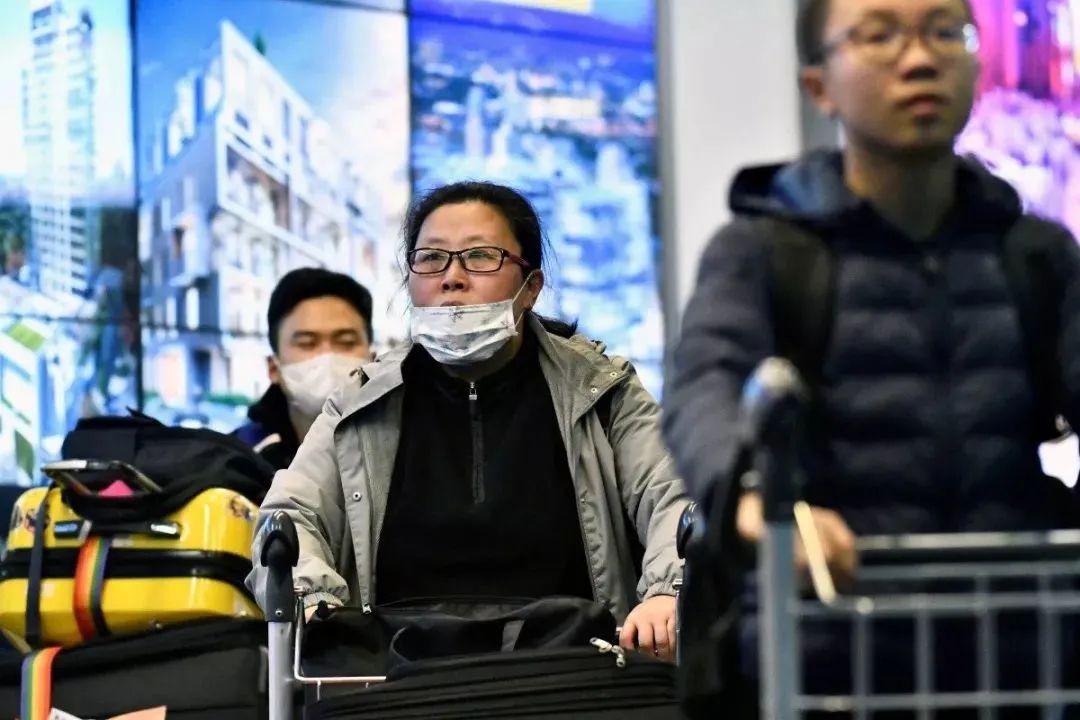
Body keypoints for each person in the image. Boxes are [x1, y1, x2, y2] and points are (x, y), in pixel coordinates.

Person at [664, 0, 1080, 704]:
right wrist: (760, 505)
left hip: (1017, 655)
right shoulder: (765, 252)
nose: (919, 59)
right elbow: (706, 388)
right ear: (819, 85)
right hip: (825, 659)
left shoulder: (1035, 255)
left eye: (945, 32)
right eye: (879, 35)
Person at [247, 181, 688, 658]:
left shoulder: (602, 392)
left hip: (571, 669)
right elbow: (290, 517)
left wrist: (666, 590)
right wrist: (312, 600)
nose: (452, 277)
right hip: (399, 673)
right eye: (431, 258)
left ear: (531, 287)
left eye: (480, 257)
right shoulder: (359, 403)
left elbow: (675, 497)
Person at [234, 268, 374, 470]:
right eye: (307, 343)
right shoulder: (238, 463)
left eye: (346, 341)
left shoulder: (409, 449)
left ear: (373, 361)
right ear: (274, 368)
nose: (327, 357)